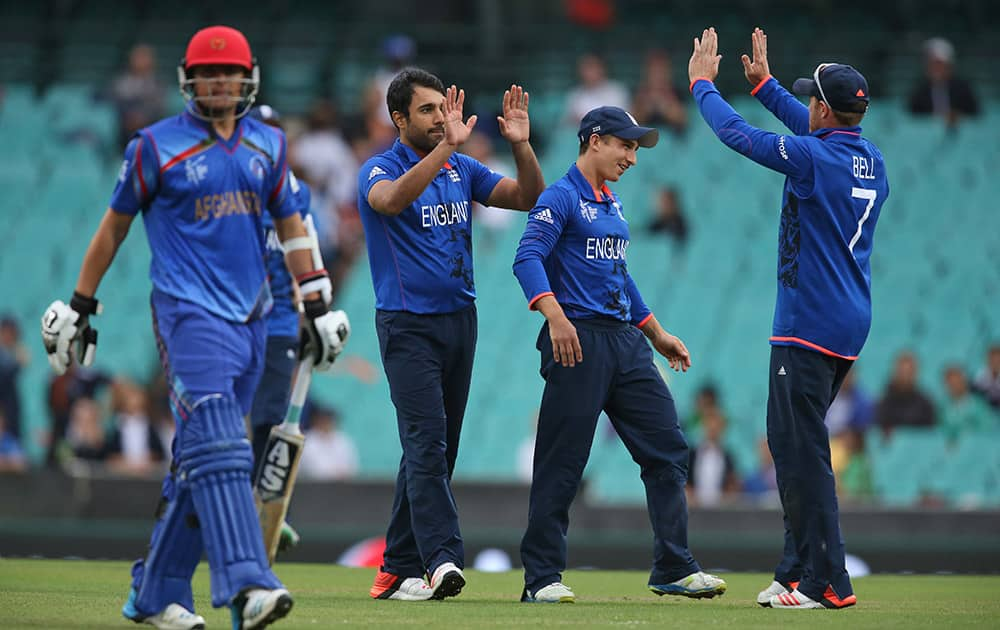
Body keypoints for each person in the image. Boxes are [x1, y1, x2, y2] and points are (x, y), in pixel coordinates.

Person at [39, 25, 350, 630]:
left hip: (254, 320)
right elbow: (112, 228)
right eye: (208, 73)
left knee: (195, 460)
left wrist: (316, 304)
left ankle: (154, 594)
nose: (218, 81)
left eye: (229, 72)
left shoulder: (267, 146)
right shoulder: (155, 146)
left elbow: (292, 226)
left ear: (246, 77)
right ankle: (248, 583)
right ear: (189, 79)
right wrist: (80, 302)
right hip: (186, 314)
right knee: (222, 442)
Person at [689, 27, 889, 609]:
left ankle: (828, 578)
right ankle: (794, 571)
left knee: (798, 451)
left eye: (809, 98)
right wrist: (766, 86)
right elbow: (810, 133)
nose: (804, 106)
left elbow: (736, 135)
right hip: (849, 322)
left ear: (825, 108)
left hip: (808, 322)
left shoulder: (812, 158)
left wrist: (703, 85)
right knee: (799, 445)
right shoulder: (868, 157)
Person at [512, 105, 726, 604]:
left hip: (625, 343)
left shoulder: (611, 202)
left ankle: (673, 565)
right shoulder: (560, 197)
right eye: (625, 146)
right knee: (562, 464)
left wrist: (656, 333)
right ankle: (541, 578)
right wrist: (556, 317)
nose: (632, 157)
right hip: (577, 340)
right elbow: (527, 258)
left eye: (635, 148)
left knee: (669, 448)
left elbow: (620, 276)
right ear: (595, 140)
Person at [357, 68, 544, 602]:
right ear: (398, 119)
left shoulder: (461, 167)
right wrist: (445, 151)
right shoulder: (377, 168)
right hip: (407, 324)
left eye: (443, 108)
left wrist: (522, 146)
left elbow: (526, 196)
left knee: (437, 451)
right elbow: (389, 202)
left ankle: (394, 569)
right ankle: (440, 560)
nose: (441, 118)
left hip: (461, 320)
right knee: (427, 444)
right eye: (427, 111)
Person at [907, 37, 979, 125]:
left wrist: (958, 116)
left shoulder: (963, 88)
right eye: (931, 64)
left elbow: (975, 113)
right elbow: (912, 115)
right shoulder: (920, 89)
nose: (935, 68)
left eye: (939, 64)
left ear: (949, 66)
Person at [111, 44, 167, 148]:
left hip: (149, 124)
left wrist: (142, 117)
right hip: (125, 127)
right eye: (138, 57)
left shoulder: (158, 83)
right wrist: (131, 116)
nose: (141, 61)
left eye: (144, 57)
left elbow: (159, 106)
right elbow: (117, 102)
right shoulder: (121, 82)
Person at [875, 351, 936, 436]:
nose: (905, 376)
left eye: (909, 372)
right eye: (902, 372)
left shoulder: (925, 404)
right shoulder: (884, 402)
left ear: (915, 373)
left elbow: (928, 435)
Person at [631, 49, 688, 136]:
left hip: (673, 143)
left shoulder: (677, 91)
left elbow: (682, 121)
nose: (658, 75)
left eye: (661, 70)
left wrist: (664, 105)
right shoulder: (640, 91)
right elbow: (632, 121)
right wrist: (647, 106)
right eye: (654, 70)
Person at [298, 404, 359, 480]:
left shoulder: (343, 440)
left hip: (342, 487)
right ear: (316, 420)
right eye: (323, 420)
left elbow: (351, 467)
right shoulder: (307, 441)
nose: (326, 423)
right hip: (313, 487)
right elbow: (313, 469)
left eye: (329, 420)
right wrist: (334, 473)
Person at [564, 53, 629, 124]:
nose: (588, 72)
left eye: (591, 67)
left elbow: (620, 119)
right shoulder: (575, 94)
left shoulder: (617, 90)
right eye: (585, 68)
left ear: (602, 69)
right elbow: (570, 122)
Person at [972, 344, 1000, 410]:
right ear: (987, 361)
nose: (995, 363)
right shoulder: (980, 374)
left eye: (998, 360)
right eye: (993, 360)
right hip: (985, 407)